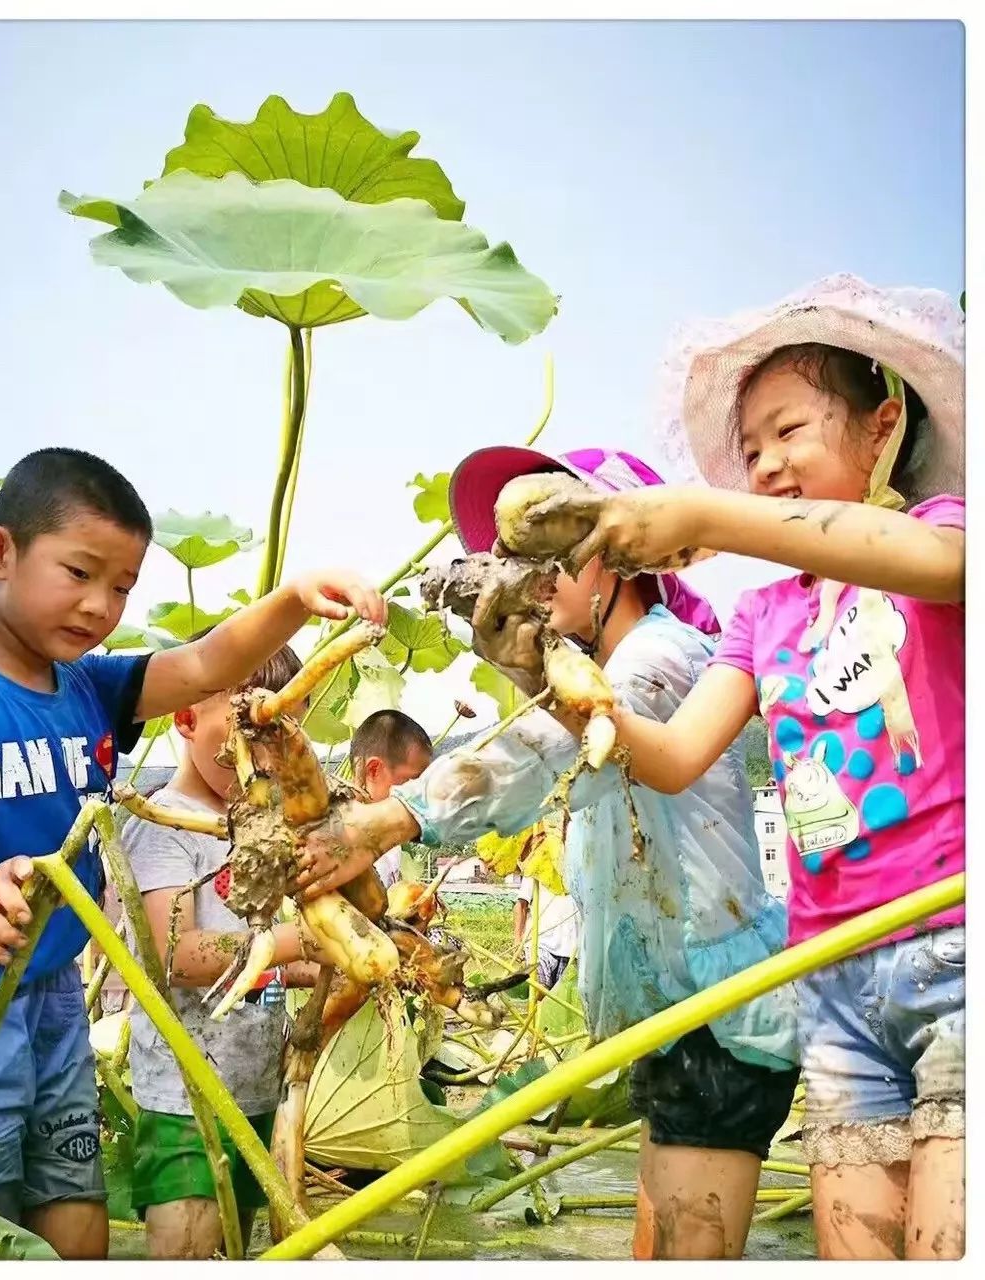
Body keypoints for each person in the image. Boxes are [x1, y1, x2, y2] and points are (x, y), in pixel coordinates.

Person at [514, 277, 965, 1260]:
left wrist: (704, 518)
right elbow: (669, 758)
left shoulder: (941, 526)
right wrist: (552, 678)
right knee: (859, 1245)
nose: (762, 463)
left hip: (951, 944)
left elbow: (937, 564)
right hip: (831, 968)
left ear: (883, 422)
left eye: (786, 430)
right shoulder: (763, 619)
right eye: (746, 449)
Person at [288, 446, 800, 1260]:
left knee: (691, 1245)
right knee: (659, 1243)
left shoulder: (658, 662)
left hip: (716, 1017)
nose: (534, 583)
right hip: (670, 1017)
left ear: (617, 563)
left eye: (553, 561)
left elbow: (538, 755)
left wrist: (388, 820)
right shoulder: (605, 667)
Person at [0, 446, 384, 1259]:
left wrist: (295, 598)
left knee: (72, 1200)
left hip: (53, 1001)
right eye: (80, 573)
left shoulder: (90, 688)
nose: (99, 605)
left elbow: (204, 662)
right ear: (0, 553)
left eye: (121, 587)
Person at [121, 635, 321, 1259]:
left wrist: (312, 967)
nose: (264, 753)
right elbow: (174, 955)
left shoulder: (264, 826)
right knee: (187, 1241)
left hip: (254, 1086)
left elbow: (255, 966)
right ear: (185, 716)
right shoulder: (162, 823)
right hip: (187, 1099)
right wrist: (294, 942)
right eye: (248, 727)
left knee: (231, 1245)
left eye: (282, 733)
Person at [347, 709, 433, 888]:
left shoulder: (391, 835)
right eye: (411, 782)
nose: (418, 796)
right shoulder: (337, 840)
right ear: (374, 769)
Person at [513, 865, 579, 993]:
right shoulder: (537, 863)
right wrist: (517, 939)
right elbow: (521, 905)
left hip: (572, 950)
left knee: (559, 1001)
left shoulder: (582, 866)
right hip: (539, 943)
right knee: (539, 990)